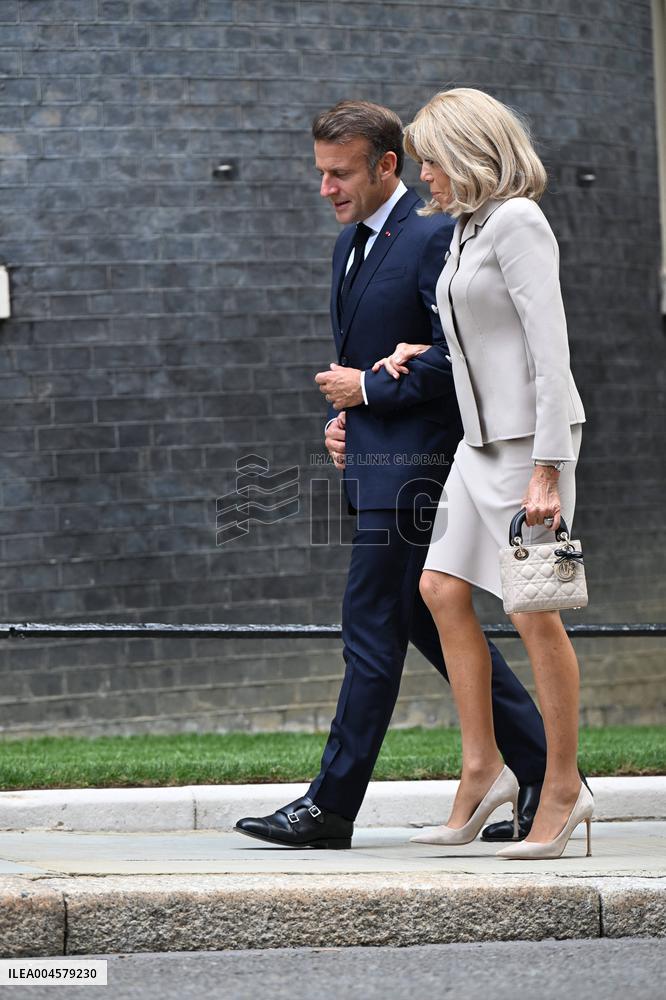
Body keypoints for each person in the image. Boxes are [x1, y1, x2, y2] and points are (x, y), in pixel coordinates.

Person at [235, 100, 549, 850]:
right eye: (320, 174)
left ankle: (330, 805)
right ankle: (540, 768)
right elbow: (373, 362)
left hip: (425, 473)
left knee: (370, 622)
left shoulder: (435, 235)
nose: (326, 190)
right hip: (377, 466)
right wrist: (353, 417)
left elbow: (459, 358)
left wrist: (371, 393)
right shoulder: (351, 245)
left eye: (339, 174)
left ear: (386, 166)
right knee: (422, 622)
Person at [375, 88, 591, 860]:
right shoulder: (469, 228)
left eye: (431, 158)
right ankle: (483, 769)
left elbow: (548, 350)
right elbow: (470, 335)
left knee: (535, 611)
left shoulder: (521, 223)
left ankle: (563, 788)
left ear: (468, 153)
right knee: (438, 591)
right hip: (478, 443)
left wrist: (548, 470)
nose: (424, 173)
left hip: (525, 446)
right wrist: (416, 357)